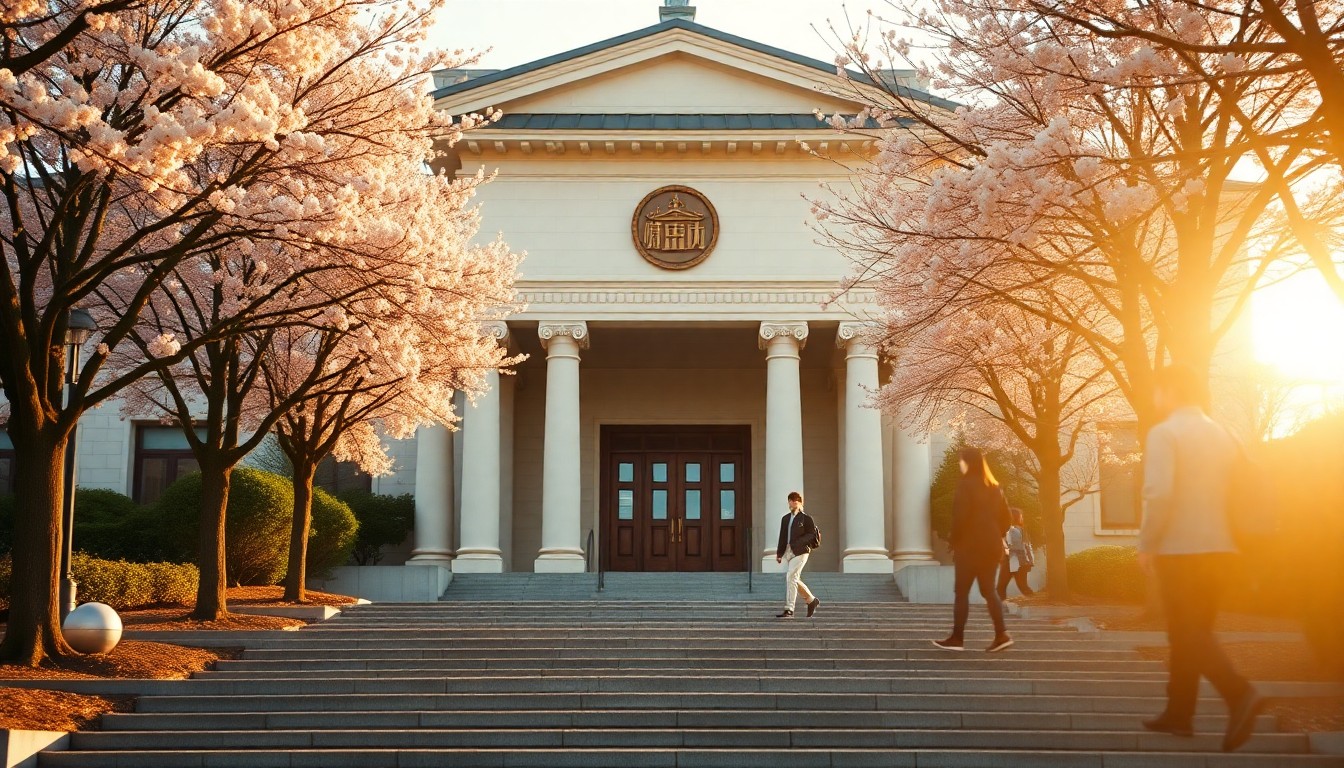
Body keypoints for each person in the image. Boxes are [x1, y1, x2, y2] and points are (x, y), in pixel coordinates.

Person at [1139, 364, 1262, 752]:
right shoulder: (1224, 434)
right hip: (1222, 549)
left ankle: (1239, 693)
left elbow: (1158, 494)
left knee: (1188, 633)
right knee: (1189, 633)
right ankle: (1179, 714)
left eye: (1158, 391)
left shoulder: (1165, 433)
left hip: (1181, 549)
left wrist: (1147, 542)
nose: (1156, 399)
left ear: (1171, 390)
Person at [933, 447, 1014, 653]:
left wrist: (955, 539)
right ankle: (1001, 634)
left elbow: (960, 516)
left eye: (961, 461)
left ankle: (957, 638)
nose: (960, 464)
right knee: (989, 591)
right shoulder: (995, 488)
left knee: (961, 593)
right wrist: (996, 534)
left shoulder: (966, 485)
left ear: (967, 462)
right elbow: (1007, 519)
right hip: (991, 546)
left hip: (969, 547)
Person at [775, 491, 820, 618]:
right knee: (794, 578)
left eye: (796, 500)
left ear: (800, 502)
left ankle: (789, 609)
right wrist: (779, 553)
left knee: (790, 576)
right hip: (789, 552)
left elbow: (811, 535)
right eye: (791, 500)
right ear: (788, 502)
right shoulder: (785, 519)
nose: (793, 502)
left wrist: (799, 542)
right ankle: (811, 600)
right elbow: (783, 537)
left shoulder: (806, 518)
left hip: (802, 551)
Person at [996, 507, 1036, 600]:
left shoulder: (1012, 530)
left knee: (1002, 587)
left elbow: (1012, 546)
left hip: (1013, 560)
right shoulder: (1019, 529)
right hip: (1018, 561)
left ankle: (998, 607)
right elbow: (1026, 546)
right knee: (1022, 586)